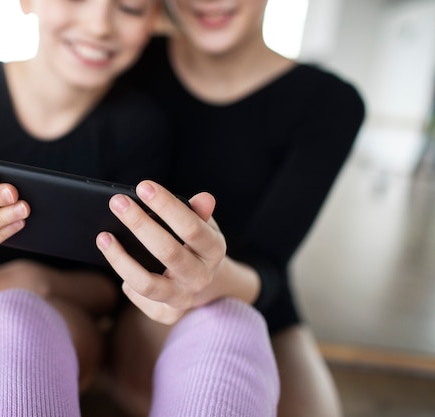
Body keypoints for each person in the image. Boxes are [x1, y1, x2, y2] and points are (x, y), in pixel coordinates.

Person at [0, 0, 280, 415]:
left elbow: (110, 288)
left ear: (154, 22)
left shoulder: (139, 125)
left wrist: (32, 280)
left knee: (12, 318)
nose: (99, 25)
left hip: (66, 323)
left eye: (129, 7)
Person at [94, 0, 366, 416]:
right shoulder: (127, 61)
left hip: (254, 287)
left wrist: (205, 279)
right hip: (146, 291)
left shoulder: (330, 103)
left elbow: (269, 260)